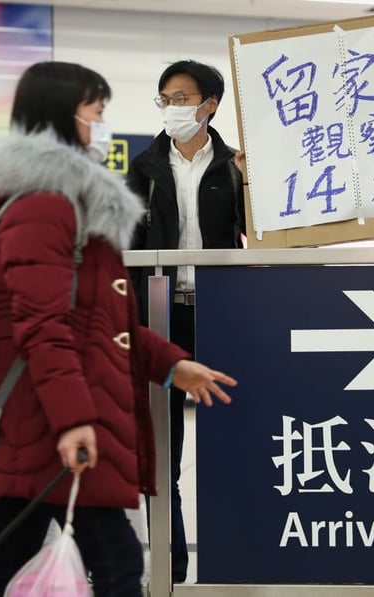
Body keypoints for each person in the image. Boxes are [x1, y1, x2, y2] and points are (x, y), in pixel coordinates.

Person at [0, 60, 238, 597]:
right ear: (63, 115)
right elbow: (42, 325)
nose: (101, 122)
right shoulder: (43, 205)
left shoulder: (69, 201)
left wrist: (169, 362)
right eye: (96, 110)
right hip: (57, 412)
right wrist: (73, 422)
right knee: (114, 563)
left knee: (13, 556)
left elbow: (103, 319)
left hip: (58, 411)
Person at [126, 59, 246, 583]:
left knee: (235, 444)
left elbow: (263, 235)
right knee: (161, 453)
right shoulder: (143, 169)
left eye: (182, 98)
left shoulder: (237, 165)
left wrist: (251, 185)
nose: (173, 108)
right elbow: (123, 246)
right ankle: (168, 570)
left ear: (209, 104)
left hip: (228, 312)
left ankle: (233, 563)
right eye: (165, 99)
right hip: (161, 315)